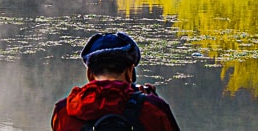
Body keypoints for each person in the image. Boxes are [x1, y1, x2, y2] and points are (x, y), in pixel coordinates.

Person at [51, 31, 180, 131]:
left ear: (90, 74)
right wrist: (152, 100)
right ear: (130, 72)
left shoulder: (64, 111)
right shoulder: (154, 109)